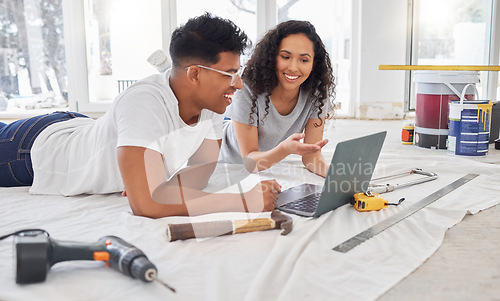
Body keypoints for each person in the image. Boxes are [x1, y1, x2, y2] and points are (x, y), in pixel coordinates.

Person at [0, 13, 281, 218]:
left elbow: (199, 175)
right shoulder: (144, 102)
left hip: (78, 127)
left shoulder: (213, 105)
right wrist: (240, 201)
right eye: (230, 74)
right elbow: (145, 206)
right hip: (31, 149)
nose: (239, 85)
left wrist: (158, 188)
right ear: (195, 73)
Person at [221, 20, 335, 177]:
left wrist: (338, 177)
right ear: (272, 57)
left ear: (313, 64)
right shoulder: (248, 87)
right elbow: (249, 162)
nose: (293, 67)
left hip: (267, 167)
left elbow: (311, 157)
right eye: (285, 57)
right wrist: (285, 150)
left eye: (304, 60)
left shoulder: (317, 93)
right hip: (228, 163)